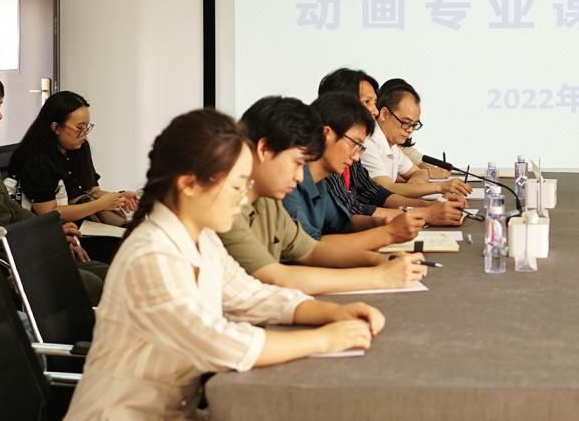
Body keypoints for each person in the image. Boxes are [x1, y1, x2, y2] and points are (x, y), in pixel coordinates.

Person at [65, 109, 385, 419]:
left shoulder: (203, 239)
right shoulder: (150, 255)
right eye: (236, 186)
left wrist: (331, 312)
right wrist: (325, 339)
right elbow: (215, 341)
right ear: (189, 184)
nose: (243, 198)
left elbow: (252, 296)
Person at [219, 96, 428, 294]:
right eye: (297, 163)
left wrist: (380, 261)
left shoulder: (268, 200)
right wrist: (380, 275)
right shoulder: (228, 207)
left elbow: (311, 249)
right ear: (264, 149)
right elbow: (276, 277)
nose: (300, 176)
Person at [0, 71, 108, 303]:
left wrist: (49, 229)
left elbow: (10, 208)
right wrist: (36, 237)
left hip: (18, 250)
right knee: (93, 286)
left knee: (110, 274)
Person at [316, 69, 465, 225]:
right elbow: (350, 212)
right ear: (339, 106)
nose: (375, 111)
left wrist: (428, 207)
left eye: (374, 102)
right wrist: (424, 212)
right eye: (367, 102)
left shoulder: (353, 151)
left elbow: (374, 193)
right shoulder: (327, 159)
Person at [283, 92, 427, 249]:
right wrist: (388, 233)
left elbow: (344, 222)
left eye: (360, 148)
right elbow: (309, 247)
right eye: (353, 144)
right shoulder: (289, 184)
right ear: (326, 134)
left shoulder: (320, 182)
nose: (356, 157)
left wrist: (380, 222)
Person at [8, 91, 138, 261]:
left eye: (87, 127)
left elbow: (93, 191)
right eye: (79, 128)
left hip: (89, 224)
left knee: (142, 235)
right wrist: (100, 204)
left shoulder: (80, 148)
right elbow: (48, 213)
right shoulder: (37, 159)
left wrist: (117, 197)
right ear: (55, 127)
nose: (85, 134)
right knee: (130, 248)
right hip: (63, 232)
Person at [362, 82, 470, 199]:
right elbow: (386, 189)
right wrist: (440, 187)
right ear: (384, 114)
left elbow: (418, 172)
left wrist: (412, 187)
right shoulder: (369, 142)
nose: (410, 130)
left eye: (414, 125)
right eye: (406, 123)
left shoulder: (392, 146)